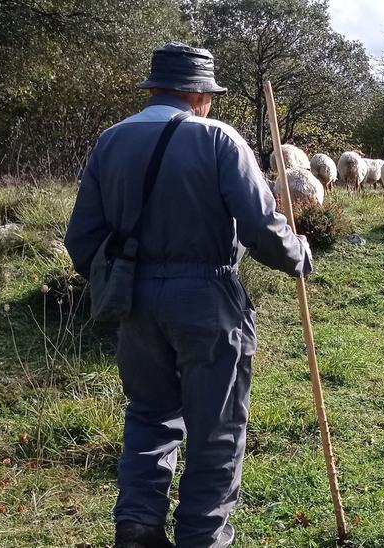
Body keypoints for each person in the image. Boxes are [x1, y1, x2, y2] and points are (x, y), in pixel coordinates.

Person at [65, 43, 312, 548]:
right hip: (207, 296)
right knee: (215, 429)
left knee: (149, 415)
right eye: (210, 96)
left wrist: (120, 279)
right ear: (198, 94)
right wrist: (298, 255)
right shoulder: (220, 140)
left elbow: (81, 239)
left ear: (155, 88)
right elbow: (261, 227)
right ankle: (202, 539)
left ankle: (136, 526)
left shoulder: (110, 141)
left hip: (134, 301)